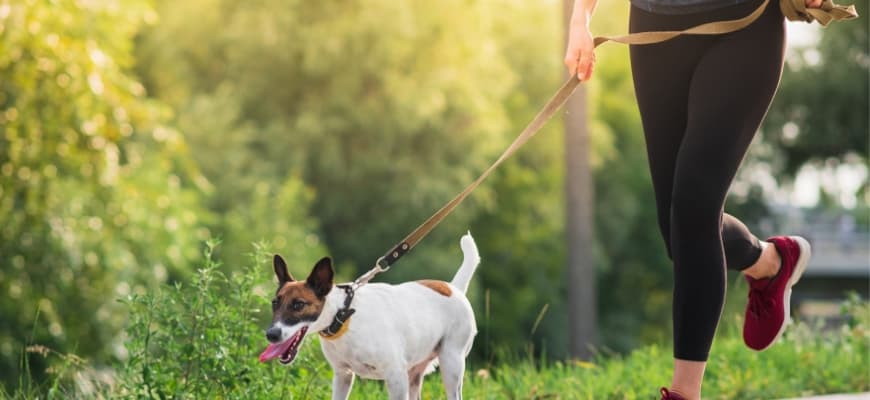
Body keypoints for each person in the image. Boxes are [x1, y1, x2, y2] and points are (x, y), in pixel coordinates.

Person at [564, 0, 819, 397]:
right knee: (675, 229)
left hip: (743, 24)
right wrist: (580, 19)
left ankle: (684, 393)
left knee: (693, 209)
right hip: (655, 28)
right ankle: (770, 262)